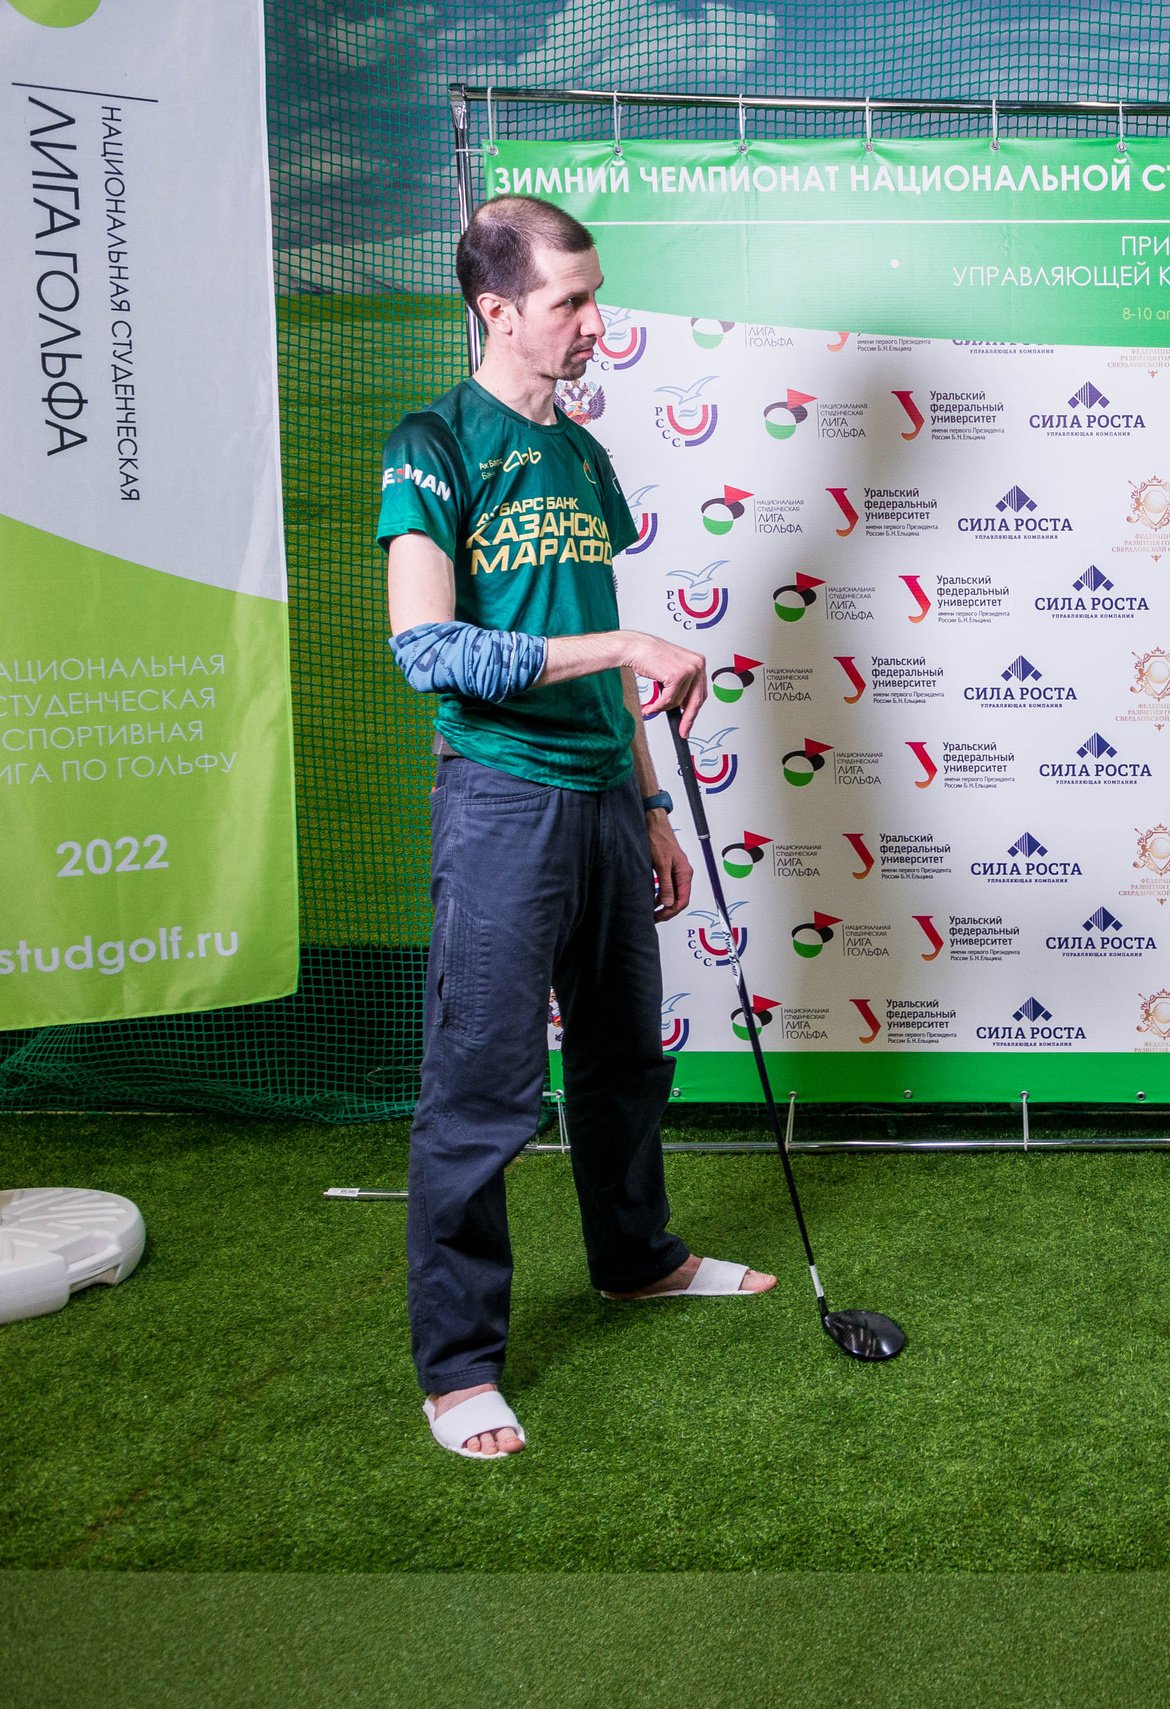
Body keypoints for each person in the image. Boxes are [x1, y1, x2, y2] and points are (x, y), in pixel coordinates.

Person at [376, 195, 775, 1462]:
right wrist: (620, 644)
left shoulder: (583, 454)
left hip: (606, 791)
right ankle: (458, 1368)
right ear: (497, 308)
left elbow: (610, 659)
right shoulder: (434, 441)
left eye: (595, 296)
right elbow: (428, 647)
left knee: (620, 1057)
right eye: (569, 302)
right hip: (501, 797)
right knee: (482, 1092)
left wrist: (650, 801)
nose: (596, 324)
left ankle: (637, 1258)